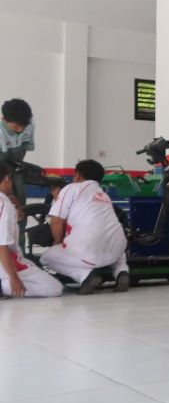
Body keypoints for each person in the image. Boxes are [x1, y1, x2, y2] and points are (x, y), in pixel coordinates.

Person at [40, 160, 130, 294]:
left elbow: (56, 219)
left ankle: (86, 276)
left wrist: (57, 243)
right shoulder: (104, 195)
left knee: (46, 258)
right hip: (116, 250)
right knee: (114, 241)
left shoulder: (71, 188)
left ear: (77, 176)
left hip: (88, 252)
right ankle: (122, 272)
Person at [0, 161, 62, 298]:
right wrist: (14, 278)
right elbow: (2, 246)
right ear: (6, 179)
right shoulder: (4, 204)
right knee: (54, 288)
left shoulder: (6, 203)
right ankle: (3, 287)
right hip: (5, 260)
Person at [1, 98, 35, 248]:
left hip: (15, 173)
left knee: (19, 217)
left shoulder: (30, 124)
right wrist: (8, 193)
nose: (21, 130)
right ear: (3, 119)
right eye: (16, 127)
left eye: (24, 125)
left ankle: (19, 258)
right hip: (1, 173)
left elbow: (22, 153)